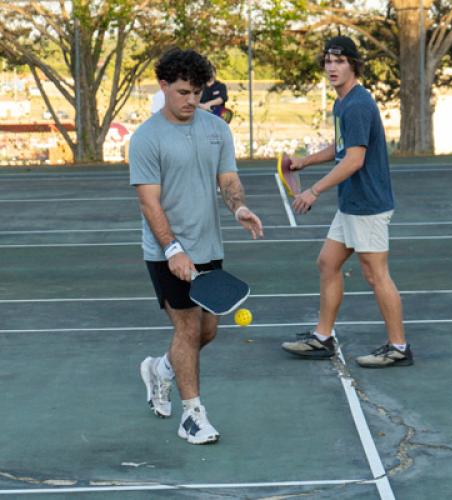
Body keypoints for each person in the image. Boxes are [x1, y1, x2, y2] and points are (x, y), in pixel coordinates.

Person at [129, 48, 263, 445]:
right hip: (166, 251)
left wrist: (238, 207)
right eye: (184, 91)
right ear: (164, 86)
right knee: (187, 328)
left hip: (208, 246)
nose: (192, 100)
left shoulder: (216, 129)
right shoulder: (146, 138)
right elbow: (148, 202)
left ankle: (161, 369)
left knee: (208, 331)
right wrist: (172, 250)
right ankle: (192, 416)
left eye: (197, 92)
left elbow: (228, 179)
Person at [281, 36, 412, 368]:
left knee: (375, 274)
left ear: (353, 64)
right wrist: (302, 163)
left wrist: (313, 191)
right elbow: (340, 148)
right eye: (327, 61)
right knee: (327, 263)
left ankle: (398, 347)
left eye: (339, 61)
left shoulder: (357, 104)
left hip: (368, 204)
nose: (331, 67)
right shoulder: (342, 103)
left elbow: (353, 160)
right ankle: (322, 338)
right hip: (352, 203)